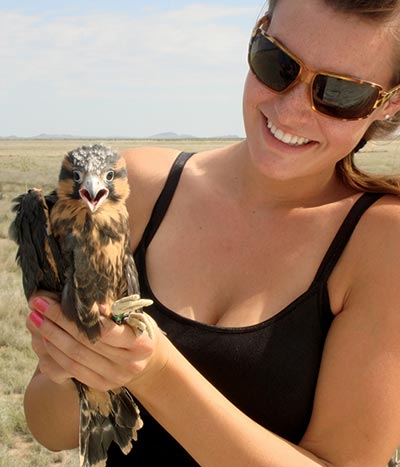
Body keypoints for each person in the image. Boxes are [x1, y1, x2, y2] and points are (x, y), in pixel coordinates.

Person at [23, 0, 400, 465]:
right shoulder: (134, 186)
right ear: (256, 35)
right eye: (276, 62)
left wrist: (156, 373)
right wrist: (72, 365)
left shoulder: (384, 242)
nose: (291, 110)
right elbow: (49, 427)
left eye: (340, 93)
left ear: (391, 101)